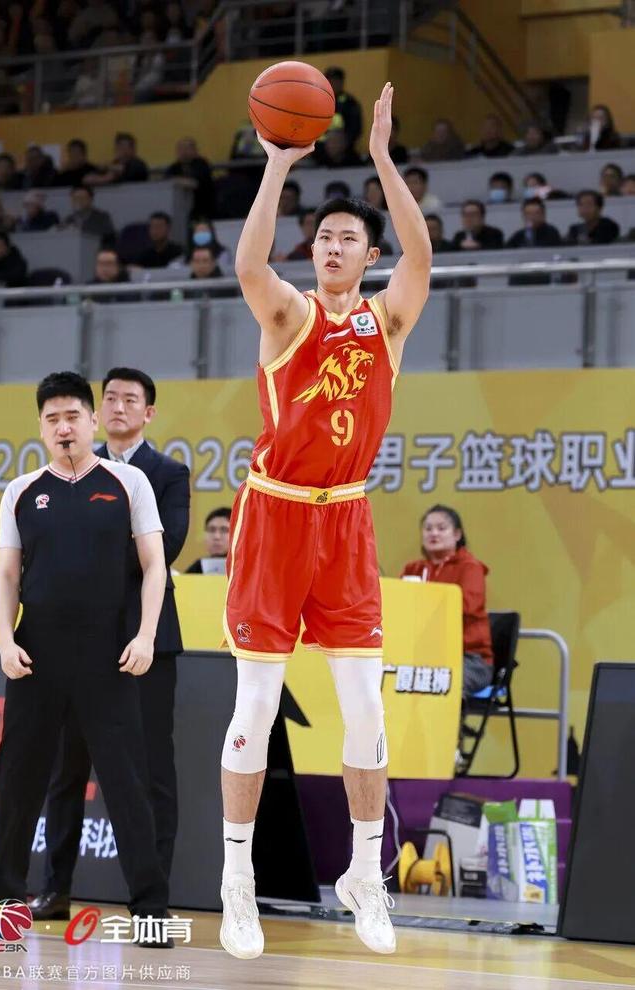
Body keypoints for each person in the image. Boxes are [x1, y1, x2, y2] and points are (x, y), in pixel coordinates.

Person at [220, 82, 431, 960]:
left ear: (368, 254)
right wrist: (277, 165)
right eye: (324, 238)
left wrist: (381, 157)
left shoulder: (387, 323)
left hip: (344, 522)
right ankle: (237, 882)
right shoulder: (289, 315)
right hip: (274, 516)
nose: (334, 245)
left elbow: (423, 255)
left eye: (349, 237)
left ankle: (363, 873)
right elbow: (248, 265)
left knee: (365, 712)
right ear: (312, 253)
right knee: (256, 704)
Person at [0, 372, 172, 945]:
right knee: (18, 782)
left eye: (72, 417)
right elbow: (7, 574)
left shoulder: (129, 482)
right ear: (41, 427)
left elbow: (155, 565)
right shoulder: (21, 491)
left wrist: (145, 636)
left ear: (92, 421)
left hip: (109, 656)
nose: (63, 428)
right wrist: (5, 640)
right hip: (35, 656)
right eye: (52, 419)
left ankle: (151, 912)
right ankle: (6, 905)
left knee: (127, 784)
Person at [29, 368, 190, 921]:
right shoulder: (65, 474)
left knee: (150, 772)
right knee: (66, 769)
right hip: (77, 642)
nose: (119, 407)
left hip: (147, 641)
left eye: (131, 400)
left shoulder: (167, 475)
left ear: (149, 412)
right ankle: (55, 889)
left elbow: (164, 549)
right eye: (111, 398)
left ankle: (152, 900)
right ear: (96, 414)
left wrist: (85, 551)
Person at [401, 505, 493, 699]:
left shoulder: (471, 568)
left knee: (442, 683)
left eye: (441, 528)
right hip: (420, 656)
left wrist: (424, 602)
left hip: (469, 659)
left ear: (457, 534)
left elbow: (466, 605)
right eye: (428, 528)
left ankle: (447, 721)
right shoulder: (413, 570)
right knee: (387, 677)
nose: (433, 533)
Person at [164, 137, 215, 217]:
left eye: (187, 148)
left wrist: (177, 181)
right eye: (181, 149)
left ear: (195, 150)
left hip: (202, 207)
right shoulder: (174, 167)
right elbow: (166, 182)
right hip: (178, 208)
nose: (184, 152)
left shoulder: (202, 164)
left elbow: (195, 183)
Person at [85, 132, 149, 186]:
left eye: (126, 147)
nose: (124, 151)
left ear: (133, 149)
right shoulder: (113, 164)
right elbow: (88, 179)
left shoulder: (138, 165)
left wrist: (106, 175)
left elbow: (122, 170)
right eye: (120, 147)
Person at [324, 66, 363, 150]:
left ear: (342, 82)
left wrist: (341, 144)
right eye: (330, 80)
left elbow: (355, 129)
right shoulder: (318, 101)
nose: (333, 83)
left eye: (337, 80)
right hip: (319, 150)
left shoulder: (350, 103)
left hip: (343, 151)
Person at [186, 507, 231, 573]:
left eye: (224, 530)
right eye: (211, 530)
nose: (216, 537)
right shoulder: (198, 567)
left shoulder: (244, 567)